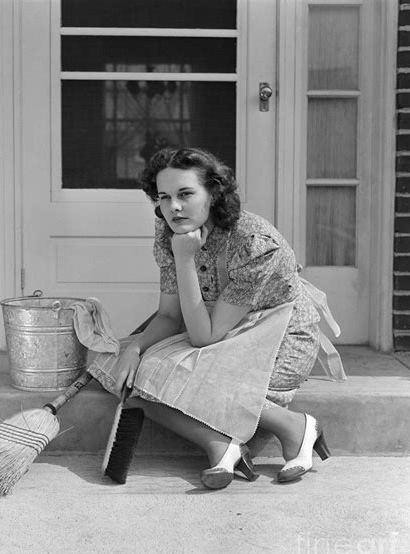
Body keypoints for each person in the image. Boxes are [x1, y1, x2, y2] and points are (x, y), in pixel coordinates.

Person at [88, 147, 344, 489]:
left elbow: (203, 338)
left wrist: (184, 260)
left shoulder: (254, 243)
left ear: (214, 193)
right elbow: (168, 315)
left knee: (158, 378)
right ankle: (221, 445)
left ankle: (294, 427)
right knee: (121, 368)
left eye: (185, 194)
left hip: (278, 337)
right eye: (164, 197)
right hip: (221, 328)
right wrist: (135, 349)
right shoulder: (171, 231)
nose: (173, 207)